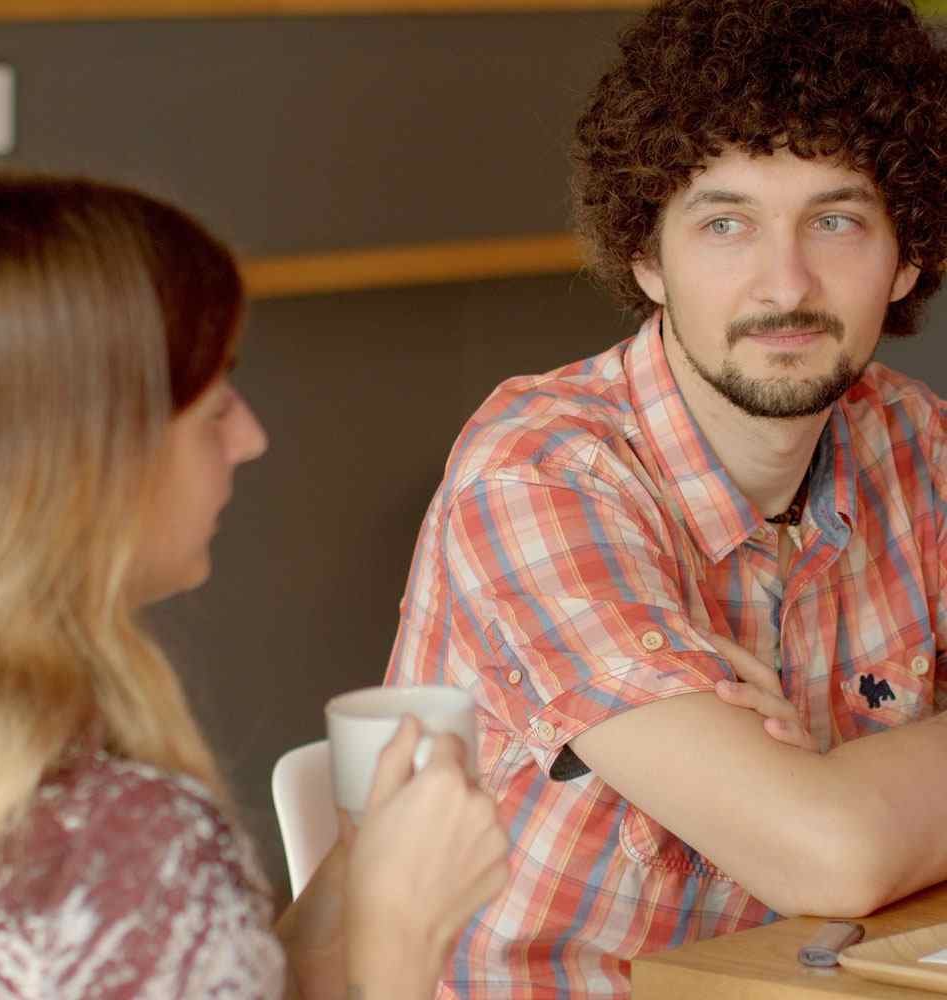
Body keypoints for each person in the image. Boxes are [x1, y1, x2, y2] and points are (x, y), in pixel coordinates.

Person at [384, 0, 947, 997]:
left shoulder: (917, 444)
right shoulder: (540, 475)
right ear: (647, 257)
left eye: (835, 220)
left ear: (906, 254)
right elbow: (827, 853)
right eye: (725, 221)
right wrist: (844, 807)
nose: (785, 282)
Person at [0, 172, 510, 999]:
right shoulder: (126, 845)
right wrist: (403, 939)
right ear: (90, 459)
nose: (249, 438)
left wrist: (360, 870)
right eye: (213, 407)